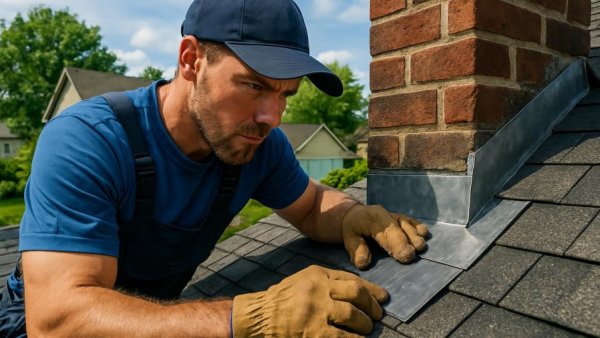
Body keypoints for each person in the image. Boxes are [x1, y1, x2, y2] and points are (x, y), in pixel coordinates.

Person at [0, 0, 429, 336]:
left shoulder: (259, 145)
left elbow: (311, 204)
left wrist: (352, 213)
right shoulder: (87, 140)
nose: (272, 117)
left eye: (285, 95)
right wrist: (251, 317)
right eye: (254, 85)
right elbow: (57, 322)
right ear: (191, 60)